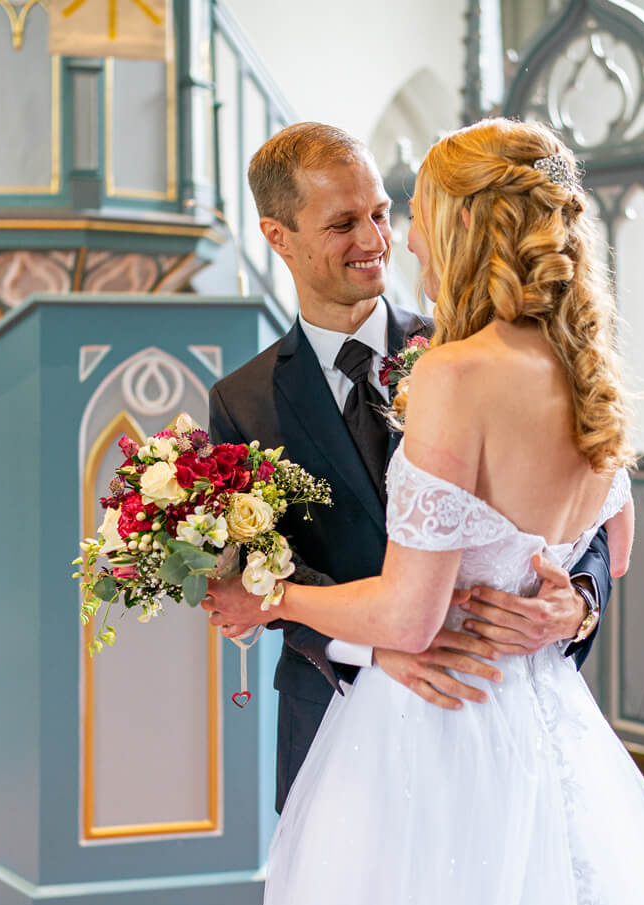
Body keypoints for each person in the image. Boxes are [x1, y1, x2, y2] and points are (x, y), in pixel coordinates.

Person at [249, 118, 644, 905]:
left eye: (411, 211)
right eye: (358, 220)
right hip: (542, 719)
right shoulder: (587, 367)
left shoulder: (452, 371)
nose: (399, 238)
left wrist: (261, 595)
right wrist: (553, 593)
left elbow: (414, 616)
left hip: (436, 733)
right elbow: (616, 541)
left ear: (463, 223)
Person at [202, 122, 615, 814]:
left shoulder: (466, 349)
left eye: (382, 214)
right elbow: (256, 569)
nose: (375, 243)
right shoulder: (242, 401)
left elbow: (588, 517)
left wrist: (578, 604)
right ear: (278, 237)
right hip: (337, 720)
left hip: (490, 708)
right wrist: (376, 648)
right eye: (342, 225)